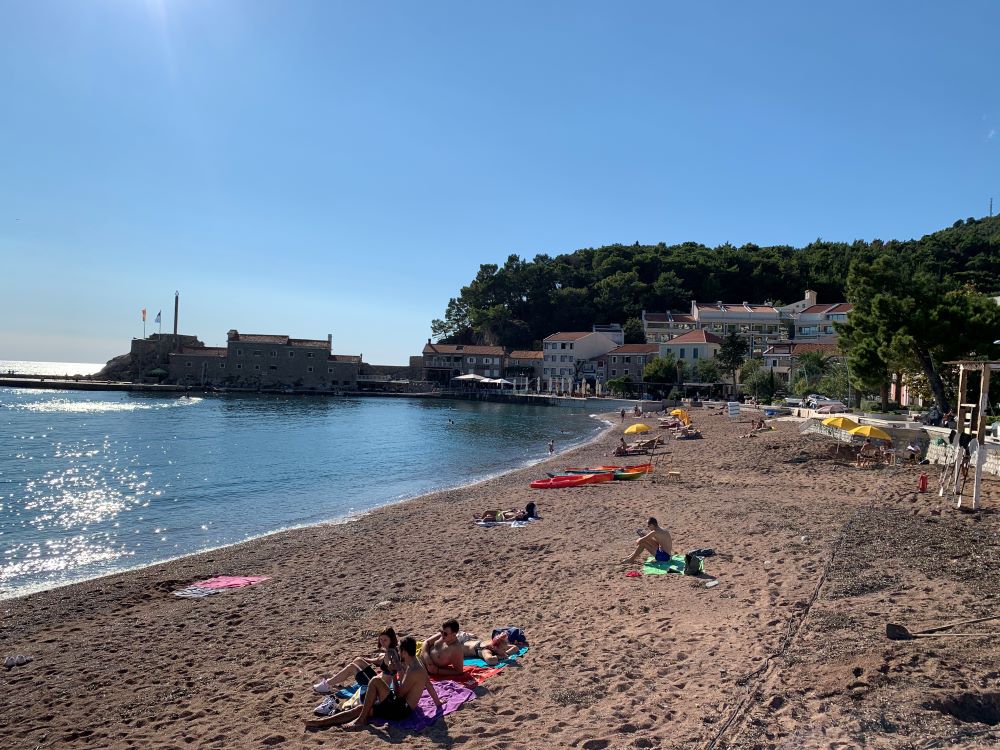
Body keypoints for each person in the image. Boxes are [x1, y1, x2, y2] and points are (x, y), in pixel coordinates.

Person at [307, 636, 443, 730]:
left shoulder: (413, 670)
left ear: (405, 652)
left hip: (401, 710)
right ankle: (320, 723)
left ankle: (360, 720)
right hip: (399, 706)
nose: (398, 652)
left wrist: (394, 675)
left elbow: (399, 694)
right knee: (361, 709)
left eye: (400, 650)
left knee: (375, 681)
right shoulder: (417, 663)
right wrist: (438, 704)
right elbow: (429, 685)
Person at [313, 627, 401, 700]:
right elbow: (379, 660)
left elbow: (392, 662)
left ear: (391, 639)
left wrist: (391, 665)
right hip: (378, 680)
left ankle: (327, 684)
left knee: (352, 667)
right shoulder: (393, 649)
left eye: (385, 640)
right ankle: (335, 680)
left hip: (376, 687)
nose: (382, 642)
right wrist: (366, 660)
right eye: (381, 639)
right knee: (358, 660)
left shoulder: (390, 653)